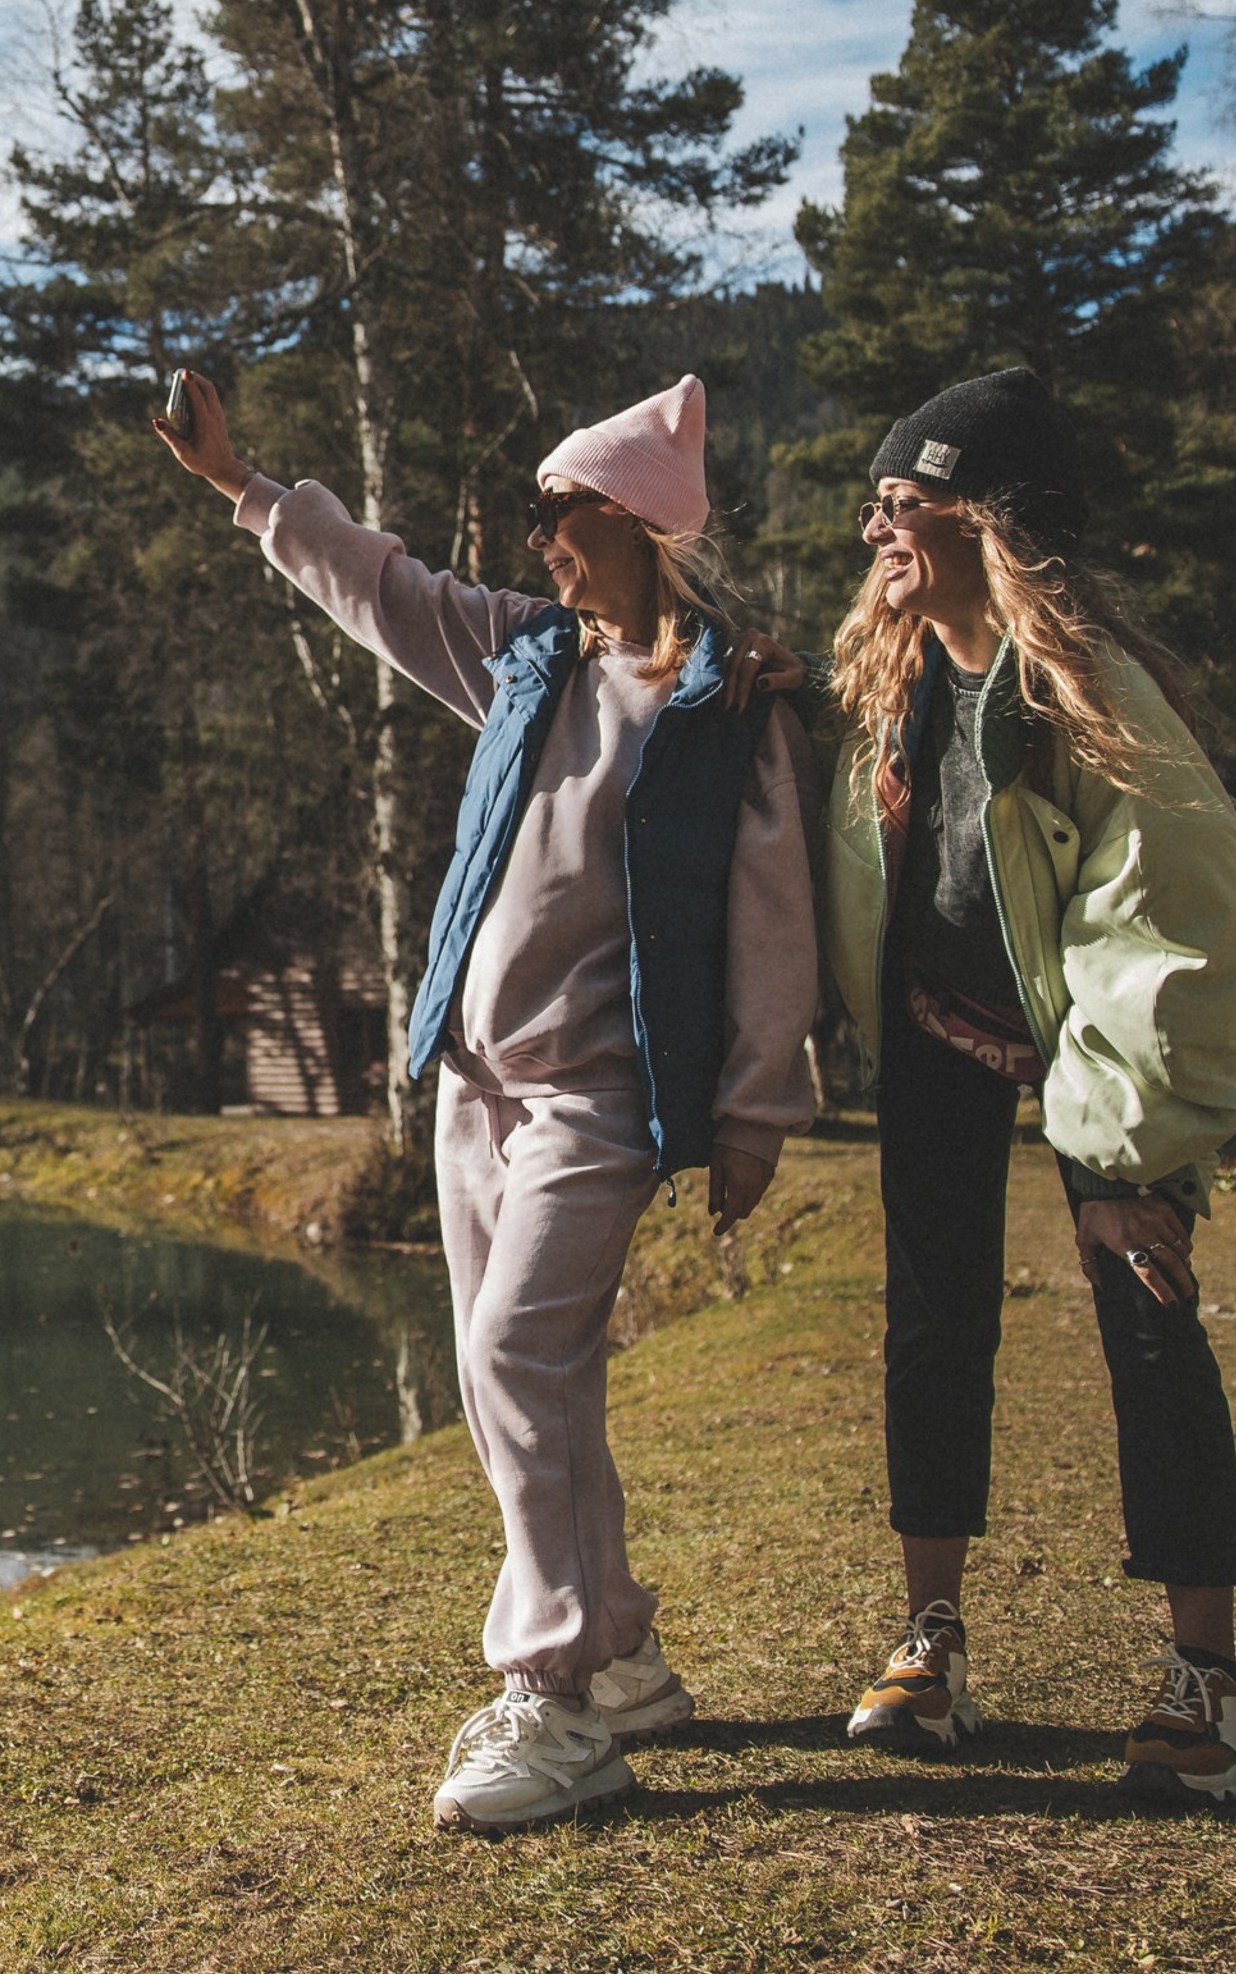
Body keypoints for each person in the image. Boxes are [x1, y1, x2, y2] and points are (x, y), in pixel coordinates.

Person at [154, 368, 819, 1831]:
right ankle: (622, 1652)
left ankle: (556, 1699)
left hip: (600, 1097)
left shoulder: (724, 707)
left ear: (636, 522)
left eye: (559, 512)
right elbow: (381, 588)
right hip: (475, 1089)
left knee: (519, 1355)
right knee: (509, 1374)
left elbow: (776, 918)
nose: (538, 540)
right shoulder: (528, 658)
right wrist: (240, 486)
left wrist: (757, 1112)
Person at [822, 368, 1236, 1801]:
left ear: (987, 521)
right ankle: (930, 1642)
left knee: (1148, 1312)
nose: (877, 528)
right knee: (932, 1326)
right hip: (938, 1029)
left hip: (1088, 1049)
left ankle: (1209, 1681)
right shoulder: (893, 680)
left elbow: (1162, 927)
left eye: (902, 502)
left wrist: (1119, 1160)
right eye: (874, 504)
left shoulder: (1094, 701)